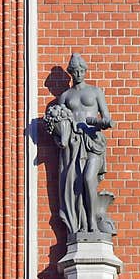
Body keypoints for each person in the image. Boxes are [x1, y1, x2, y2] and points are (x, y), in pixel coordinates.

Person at [44, 53, 116, 236]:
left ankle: (92, 220)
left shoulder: (95, 92)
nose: (78, 74)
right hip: (74, 144)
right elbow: (61, 124)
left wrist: (101, 122)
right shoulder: (65, 97)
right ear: (70, 73)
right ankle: (82, 222)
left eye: (81, 70)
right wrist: (60, 136)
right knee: (75, 185)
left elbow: (106, 117)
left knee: (88, 178)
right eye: (74, 71)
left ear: (85, 71)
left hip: (93, 141)